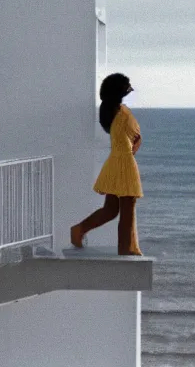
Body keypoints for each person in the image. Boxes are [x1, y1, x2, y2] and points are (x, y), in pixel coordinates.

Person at [70, 73, 144, 256]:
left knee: (111, 209)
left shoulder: (108, 111)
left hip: (114, 162)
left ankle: (79, 229)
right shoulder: (123, 113)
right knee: (127, 208)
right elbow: (137, 135)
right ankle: (126, 248)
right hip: (125, 163)